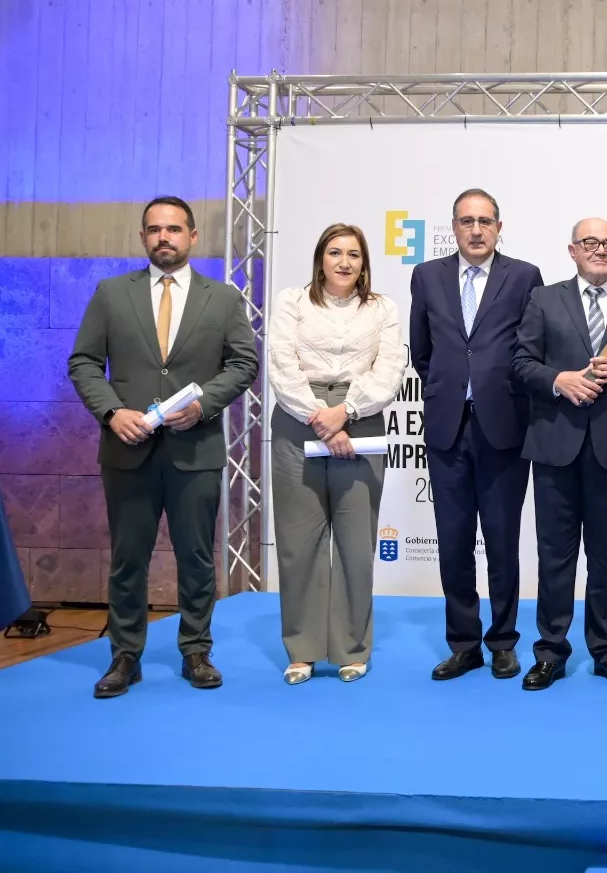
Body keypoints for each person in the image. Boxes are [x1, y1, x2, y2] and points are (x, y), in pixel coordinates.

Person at [67, 196, 258, 698]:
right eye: (154, 230)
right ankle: (125, 656)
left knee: (197, 557)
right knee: (129, 559)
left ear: (193, 237)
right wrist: (112, 412)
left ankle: (196, 649)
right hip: (127, 451)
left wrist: (204, 405)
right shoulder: (111, 294)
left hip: (195, 450)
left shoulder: (222, 299)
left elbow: (243, 364)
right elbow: (84, 362)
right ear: (142, 238)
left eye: (174, 229)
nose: (164, 238)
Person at [512, 218, 607, 691]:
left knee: (606, 555)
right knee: (555, 555)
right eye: (591, 243)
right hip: (555, 443)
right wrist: (559, 380)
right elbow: (520, 363)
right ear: (572, 250)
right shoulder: (543, 299)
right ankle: (550, 651)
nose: (601, 250)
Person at [410, 189, 544, 681]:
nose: (476, 230)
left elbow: (533, 348)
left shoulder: (525, 276)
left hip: (505, 426)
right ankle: (464, 643)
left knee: (503, 540)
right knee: (453, 542)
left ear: (499, 227)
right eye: (467, 221)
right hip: (448, 427)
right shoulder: (426, 276)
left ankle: (504, 641)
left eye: (485, 221)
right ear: (454, 226)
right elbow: (422, 353)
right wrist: (451, 391)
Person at [267, 224, 405, 684]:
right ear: (320, 258)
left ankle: (351, 647)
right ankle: (302, 649)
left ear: (365, 263)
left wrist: (344, 411)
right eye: (334, 252)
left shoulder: (383, 308)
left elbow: (389, 370)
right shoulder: (292, 301)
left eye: (354, 254)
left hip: (359, 421)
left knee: (355, 540)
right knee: (298, 541)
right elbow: (281, 364)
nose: (344, 262)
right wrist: (319, 416)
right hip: (297, 419)